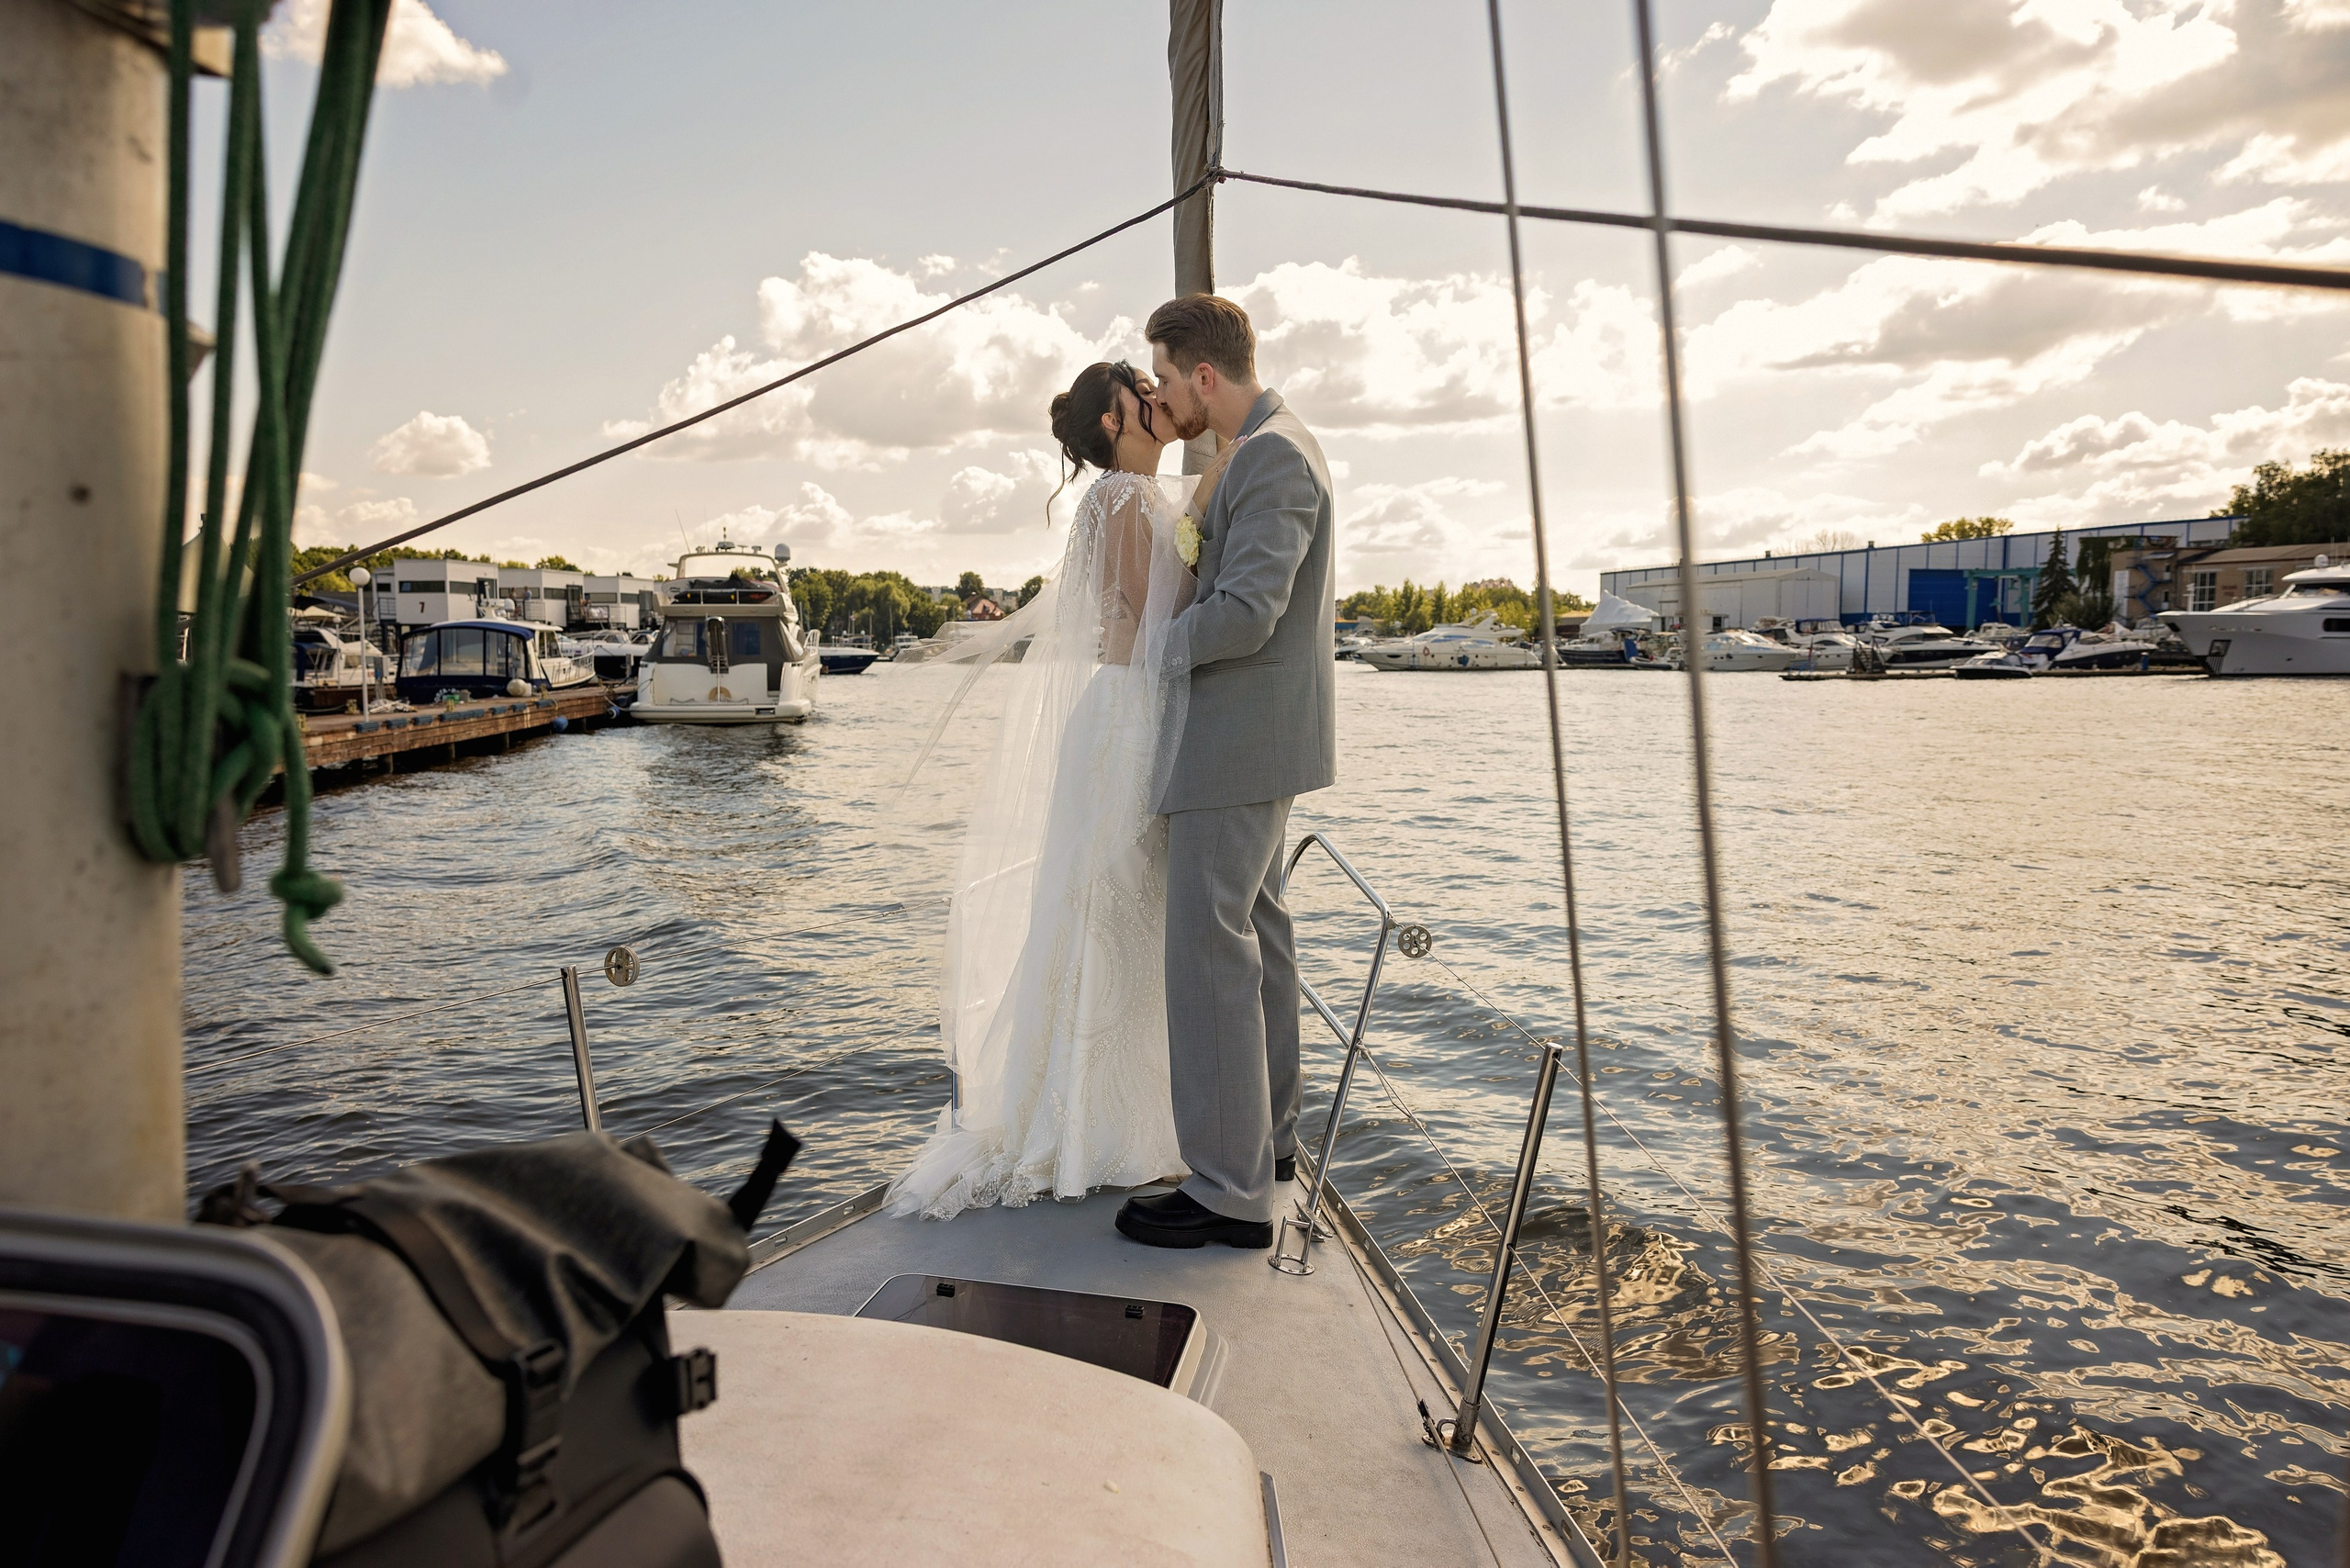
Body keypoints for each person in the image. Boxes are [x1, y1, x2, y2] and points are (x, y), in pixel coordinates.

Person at [887, 361, 1213, 1218]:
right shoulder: (1126, 497)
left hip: (1128, 708)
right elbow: (1155, 618)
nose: (1154, 394)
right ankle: (1091, 1130)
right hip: (1130, 714)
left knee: (1123, 912)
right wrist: (1208, 529)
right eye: (1139, 386)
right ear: (1113, 419)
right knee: (1110, 906)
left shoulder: (1136, 497)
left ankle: (1125, 1119)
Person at [1113, 294, 1337, 1251]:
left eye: (1166, 378)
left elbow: (1247, 612)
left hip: (1235, 743)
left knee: (1208, 952)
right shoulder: (1269, 446)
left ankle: (1228, 1190)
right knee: (1259, 937)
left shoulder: (1272, 456)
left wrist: (1145, 655)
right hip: (1257, 741)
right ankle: (1269, 1150)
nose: (1162, 395)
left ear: (1203, 375)